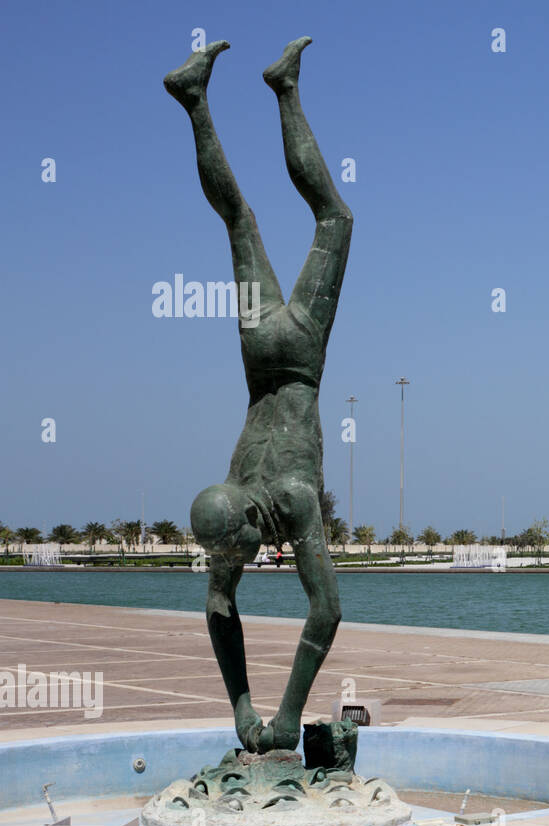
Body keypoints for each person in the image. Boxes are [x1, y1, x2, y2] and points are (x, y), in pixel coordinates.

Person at [167, 37, 351, 754]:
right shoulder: (245, 496)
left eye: (237, 550)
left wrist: (266, 711)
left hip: (297, 351)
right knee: (241, 220)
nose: (239, 562)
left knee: (332, 220)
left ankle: (261, 93)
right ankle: (207, 99)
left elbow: (324, 612)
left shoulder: (289, 502)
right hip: (260, 353)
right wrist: (253, 713)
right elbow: (303, 608)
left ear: (238, 516)